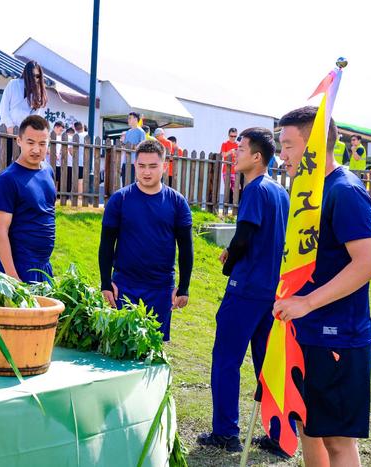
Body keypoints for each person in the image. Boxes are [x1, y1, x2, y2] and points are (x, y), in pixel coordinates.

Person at [275, 106, 371, 467]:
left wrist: (307, 302)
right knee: (309, 428)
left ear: (315, 144)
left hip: (339, 337)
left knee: (337, 442)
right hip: (305, 334)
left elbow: (368, 263)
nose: (282, 154)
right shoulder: (308, 190)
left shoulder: (345, 190)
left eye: (288, 145)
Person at [197, 128, 290, 455]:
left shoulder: (254, 189)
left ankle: (226, 432)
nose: (234, 154)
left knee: (225, 360)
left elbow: (246, 234)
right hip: (272, 290)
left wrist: (230, 261)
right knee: (267, 363)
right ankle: (281, 436)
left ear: (257, 157)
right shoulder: (281, 192)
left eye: (240, 149)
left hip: (246, 288)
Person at [99, 140, 194, 341]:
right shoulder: (120, 199)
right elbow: (107, 245)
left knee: (152, 350)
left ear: (164, 166)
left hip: (160, 288)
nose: (146, 172)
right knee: (121, 347)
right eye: (141, 166)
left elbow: (186, 248)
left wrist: (184, 286)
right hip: (124, 287)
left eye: (153, 166)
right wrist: (106, 283)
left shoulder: (177, 202)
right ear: (135, 166)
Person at [0, 115, 56, 283]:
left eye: (42, 144)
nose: (36, 149)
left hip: (44, 269)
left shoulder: (48, 171)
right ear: (19, 140)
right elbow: (0, 231)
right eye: (30, 143)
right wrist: (12, 277)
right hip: (19, 270)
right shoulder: (8, 179)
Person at [122, 112, 146, 184]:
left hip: (135, 162)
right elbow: (124, 145)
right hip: (125, 161)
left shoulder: (141, 132)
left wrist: (132, 146)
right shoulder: (128, 132)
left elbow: (142, 147)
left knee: (132, 183)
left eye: (130, 118)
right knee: (124, 183)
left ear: (135, 119)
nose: (128, 120)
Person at [221, 128, 239, 202]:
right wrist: (231, 151)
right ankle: (226, 205)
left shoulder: (238, 145)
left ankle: (234, 205)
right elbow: (223, 155)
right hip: (226, 170)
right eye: (232, 136)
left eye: (235, 136)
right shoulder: (224, 144)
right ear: (228, 135)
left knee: (236, 188)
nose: (233, 138)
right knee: (227, 189)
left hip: (236, 171)